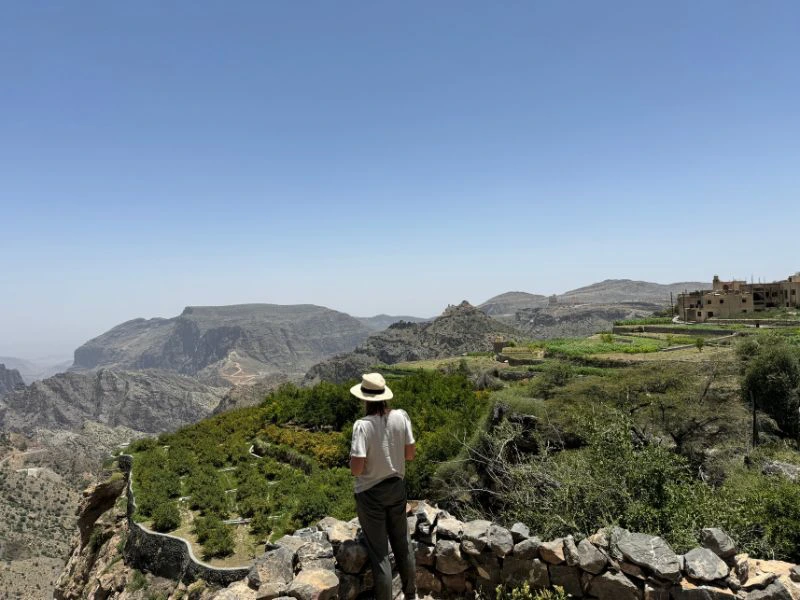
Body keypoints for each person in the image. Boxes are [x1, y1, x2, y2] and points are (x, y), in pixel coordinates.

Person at [349, 372, 417, 600]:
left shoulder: (362, 426)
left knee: (380, 554)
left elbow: (356, 470)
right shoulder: (401, 417)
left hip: (370, 494)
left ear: (365, 399)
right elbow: (410, 455)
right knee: (402, 542)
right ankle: (410, 593)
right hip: (397, 488)